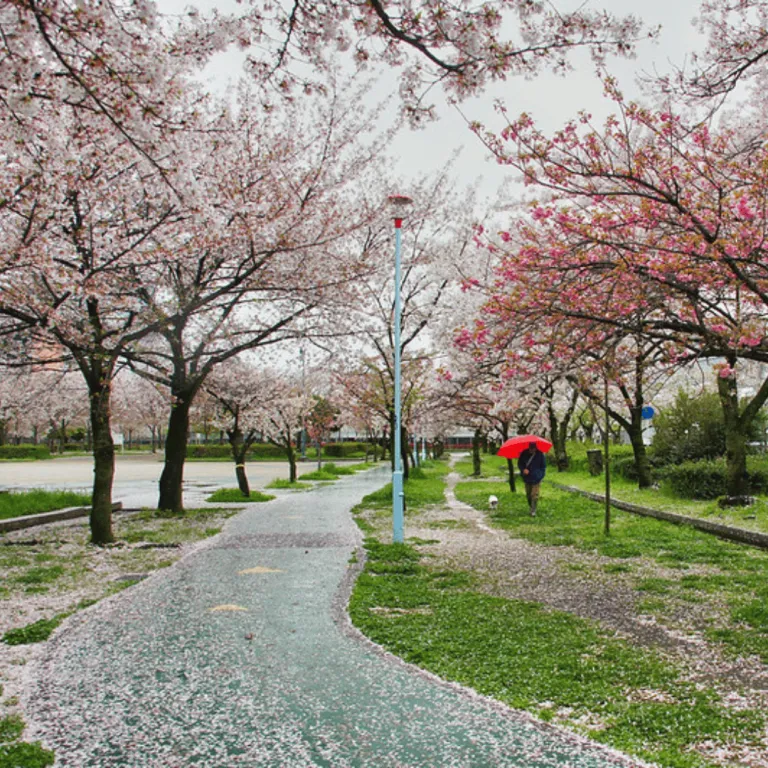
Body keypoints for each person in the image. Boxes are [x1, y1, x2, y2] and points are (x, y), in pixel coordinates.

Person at [517, 441, 546, 517]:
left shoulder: (540, 454)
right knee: (528, 494)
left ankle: (533, 510)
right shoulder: (524, 453)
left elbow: (543, 467)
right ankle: (531, 506)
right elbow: (520, 463)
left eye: (533, 448)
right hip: (527, 478)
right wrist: (523, 469)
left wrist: (540, 475)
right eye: (531, 448)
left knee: (534, 494)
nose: (532, 450)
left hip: (536, 478)